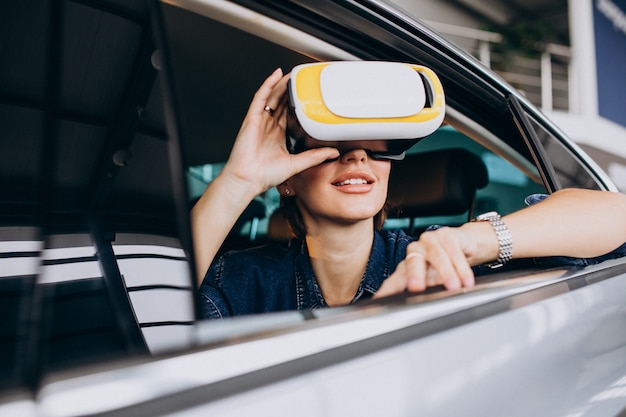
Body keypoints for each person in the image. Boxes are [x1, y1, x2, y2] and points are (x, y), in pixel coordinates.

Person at [191, 67, 626, 319]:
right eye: (331, 146)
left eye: (378, 149)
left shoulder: (435, 260)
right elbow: (142, 316)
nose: (358, 157)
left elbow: (617, 216)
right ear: (287, 177)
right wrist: (239, 181)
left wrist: (469, 240)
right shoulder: (241, 279)